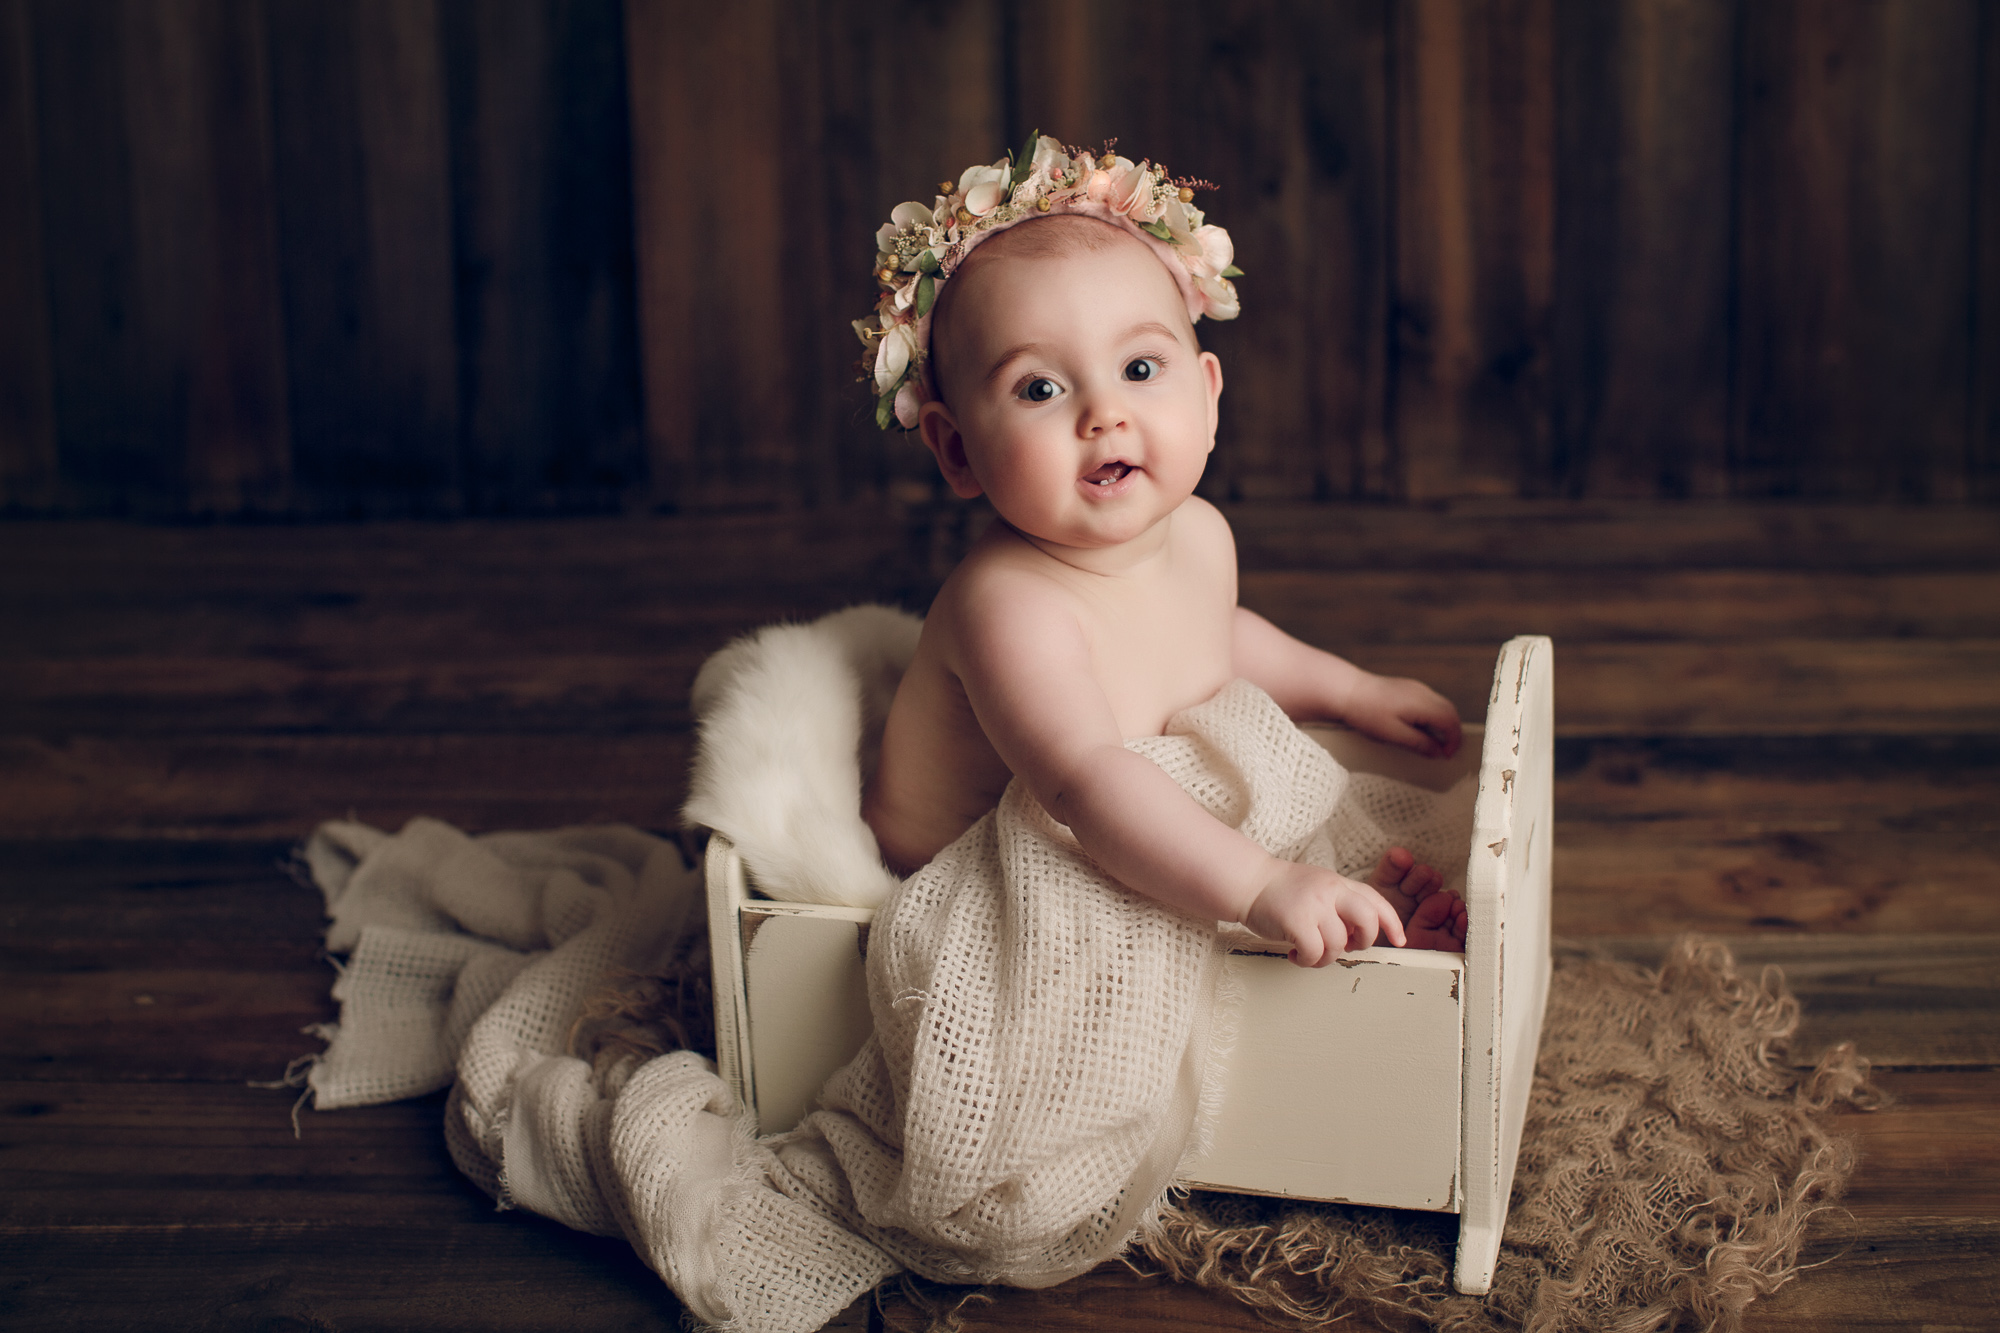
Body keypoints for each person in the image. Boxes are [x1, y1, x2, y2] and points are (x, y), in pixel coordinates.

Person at [858, 136, 1468, 966]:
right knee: (1203, 898)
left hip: (1131, 816)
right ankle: (1299, 910)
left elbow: (1214, 632)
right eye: (1040, 388)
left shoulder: (1202, 532)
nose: (1104, 414)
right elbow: (1090, 786)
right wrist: (1259, 885)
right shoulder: (1007, 609)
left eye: (1140, 366)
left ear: (1209, 399)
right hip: (987, 875)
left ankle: (1356, 920)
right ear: (956, 450)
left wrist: (1349, 689)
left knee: (1283, 807)